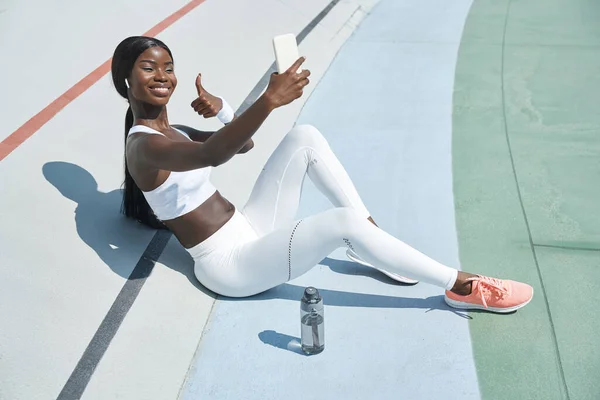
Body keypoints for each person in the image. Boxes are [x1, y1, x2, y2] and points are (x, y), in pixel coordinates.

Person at [111, 35, 533, 314]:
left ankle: (371, 242)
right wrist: (268, 100)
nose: (162, 76)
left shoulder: (174, 130)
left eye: (167, 66)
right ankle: (461, 286)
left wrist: (223, 110)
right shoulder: (144, 145)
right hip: (230, 264)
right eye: (149, 68)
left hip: (250, 227)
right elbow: (216, 154)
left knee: (304, 137)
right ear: (126, 81)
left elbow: (243, 145)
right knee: (341, 223)